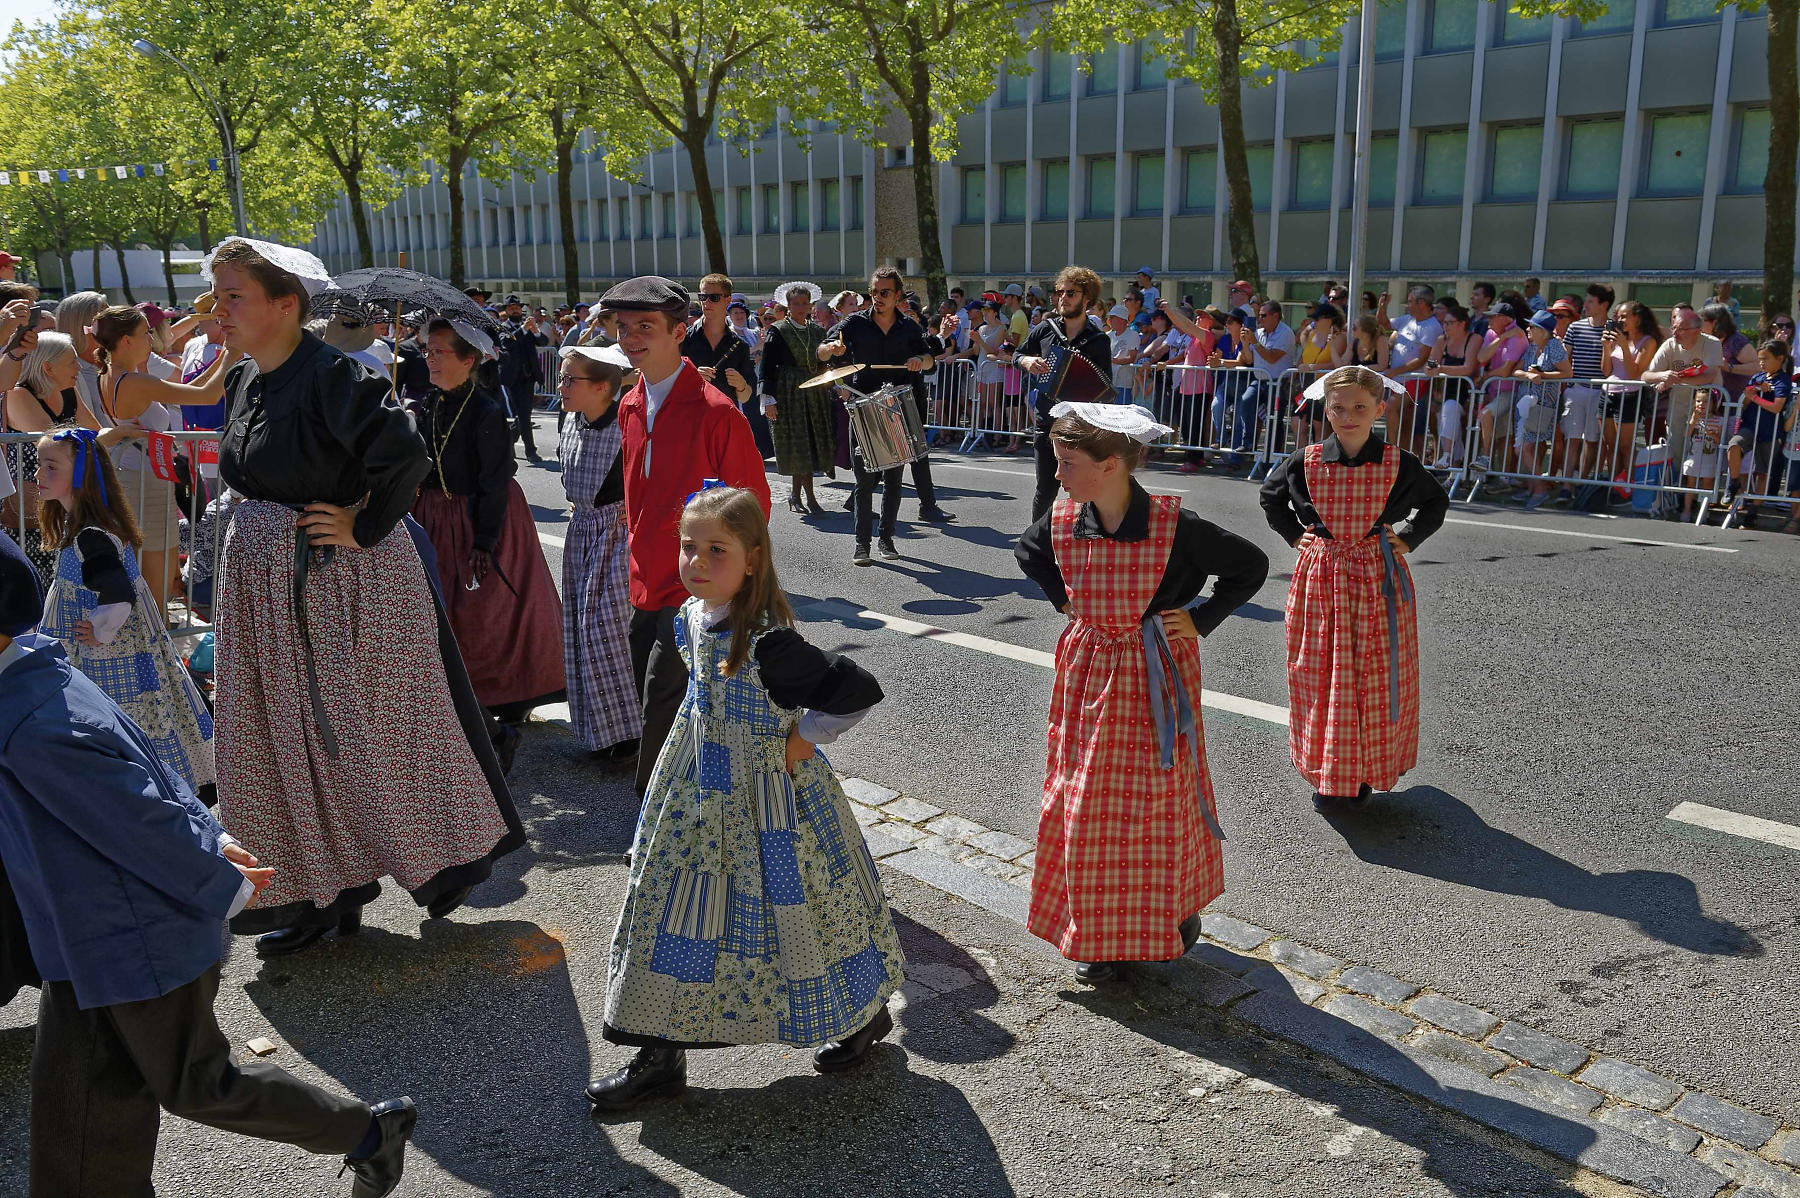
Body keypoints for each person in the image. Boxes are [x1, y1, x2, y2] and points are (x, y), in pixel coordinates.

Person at [0, 531, 417, 1198]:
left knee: (198, 1085)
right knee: (76, 1133)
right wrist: (214, 841)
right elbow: (153, 766)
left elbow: (142, 814)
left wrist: (217, 871)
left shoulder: (31, 723)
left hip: (139, 941)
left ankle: (368, 1133)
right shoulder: (44, 673)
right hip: (87, 944)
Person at [204, 236, 524, 956]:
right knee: (273, 741)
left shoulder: (333, 377)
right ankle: (318, 891)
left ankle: (442, 863)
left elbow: (403, 456)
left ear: (286, 306)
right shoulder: (245, 380)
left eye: (233, 296)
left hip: (338, 584)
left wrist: (362, 525)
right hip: (265, 590)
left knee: (369, 734)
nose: (217, 310)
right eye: (219, 295)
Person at [589, 485, 904, 1110]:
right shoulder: (688, 616)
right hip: (695, 796)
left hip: (768, 803)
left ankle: (860, 1014)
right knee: (669, 907)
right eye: (688, 548)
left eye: (716, 550)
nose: (696, 562)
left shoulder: (769, 642)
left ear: (753, 558)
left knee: (803, 911)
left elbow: (856, 689)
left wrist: (805, 739)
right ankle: (658, 1050)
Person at [1015, 403, 1268, 983]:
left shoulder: (1175, 526)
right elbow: (1027, 553)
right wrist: (1062, 599)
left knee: (1154, 804)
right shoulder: (1063, 520)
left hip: (1153, 675)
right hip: (1088, 678)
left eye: (1068, 463)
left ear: (1111, 466)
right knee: (1085, 802)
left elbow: (1248, 566)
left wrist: (1201, 618)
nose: (1058, 474)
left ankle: (1170, 916)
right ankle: (1099, 930)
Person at [606, 275, 773, 799]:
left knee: (661, 706)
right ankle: (689, 808)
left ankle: (654, 826)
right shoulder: (628, 404)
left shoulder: (716, 411)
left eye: (645, 327)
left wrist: (724, 579)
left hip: (695, 592)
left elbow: (754, 507)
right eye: (623, 327)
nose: (631, 337)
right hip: (645, 583)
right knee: (649, 698)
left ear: (680, 332)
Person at [1260, 366, 1449, 810]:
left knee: (1373, 674)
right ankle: (1330, 770)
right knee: (1320, 671)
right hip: (1321, 575)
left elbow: (1435, 501)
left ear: (1380, 409)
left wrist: (1410, 537)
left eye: (1360, 407)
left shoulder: (1399, 462)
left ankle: (1364, 769)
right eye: (1338, 407)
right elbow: (1270, 497)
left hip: (1375, 576)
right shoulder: (1304, 460)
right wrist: (1293, 535)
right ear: (1326, 409)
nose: (1348, 416)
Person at [410, 318, 567, 767]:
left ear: (469, 360)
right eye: (428, 350)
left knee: (488, 611)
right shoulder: (428, 403)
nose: (430, 358)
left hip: (480, 515)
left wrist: (484, 541)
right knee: (445, 609)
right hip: (436, 515)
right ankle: (461, 702)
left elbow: (493, 482)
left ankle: (504, 697)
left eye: (440, 351)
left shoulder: (486, 411)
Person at [33, 427, 217, 805]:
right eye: (39, 465)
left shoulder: (89, 536)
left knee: (118, 718)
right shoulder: (85, 528)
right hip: (124, 649)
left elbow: (118, 596)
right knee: (145, 714)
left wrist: (100, 630)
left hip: (110, 657)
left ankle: (131, 795)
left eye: (51, 466)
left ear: (81, 475)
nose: (38, 475)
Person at [87, 304, 240, 612]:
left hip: (144, 479)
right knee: (155, 590)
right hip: (144, 485)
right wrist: (231, 353)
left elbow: (191, 390)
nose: (152, 339)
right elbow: (207, 396)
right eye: (145, 333)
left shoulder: (120, 374)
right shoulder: (132, 380)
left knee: (158, 582)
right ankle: (156, 652)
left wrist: (226, 353)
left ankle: (158, 647)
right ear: (127, 340)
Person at [819, 265, 955, 564]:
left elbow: (930, 358)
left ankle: (886, 539)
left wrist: (921, 360)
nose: (877, 298)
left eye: (884, 293)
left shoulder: (909, 327)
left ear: (896, 295)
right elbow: (822, 352)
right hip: (863, 405)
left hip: (896, 408)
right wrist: (831, 349)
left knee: (893, 480)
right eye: (873, 292)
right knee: (864, 480)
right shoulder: (853, 323)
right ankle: (861, 544)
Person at [557, 341, 643, 761]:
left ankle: (630, 733)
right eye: (562, 376)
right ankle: (599, 732)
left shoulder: (627, 425)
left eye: (571, 379)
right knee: (578, 629)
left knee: (605, 631)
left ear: (603, 388)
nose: (562, 385)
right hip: (582, 532)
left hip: (615, 534)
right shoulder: (571, 420)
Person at [1016, 266, 1114, 521]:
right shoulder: (1046, 329)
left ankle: (1084, 539)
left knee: (1084, 489)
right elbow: (1015, 352)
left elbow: (1105, 389)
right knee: (1046, 488)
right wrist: (1026, 361)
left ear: (1087, 298)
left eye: (1071, 292)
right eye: (1060, 291)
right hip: (1046, 421)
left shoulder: (1098, 341)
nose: (1063, 297)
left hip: (1080, 426)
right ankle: (1036, 544)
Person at [5, 331, 101, 583]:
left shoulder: (68, 391)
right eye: (72, 361)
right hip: (30, 511)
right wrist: (115, 435)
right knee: (36, 586)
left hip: (67, 503)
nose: (79, 366)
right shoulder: (18, 395)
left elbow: (95, 432)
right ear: (48, 367)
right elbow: (56, 444)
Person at [759, 281, 837, 515]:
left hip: (814, 392)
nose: (801, 307)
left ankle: (798, 496)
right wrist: (768, 399)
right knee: (797, 444)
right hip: (788, 391)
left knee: (811, 443)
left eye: (804, 303)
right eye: (796, 304)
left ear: (811, 305)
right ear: (788, 305)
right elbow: (767, 365)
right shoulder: (778, 329)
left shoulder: (817, 331)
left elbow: (825, 362)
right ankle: (807, 498)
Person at [1643, 308, 1722, 514]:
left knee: (1704, 454)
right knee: (1677, 451)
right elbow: (1646, 375)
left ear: (1696, 330)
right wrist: (1664, 375)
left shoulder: (1711, 343)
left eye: (1681, 329)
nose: (1675, 333)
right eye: (1674, 328)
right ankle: (1677, 498)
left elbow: (1710, 375)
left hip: (1708, 409)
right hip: (1678, 408)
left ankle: (1704, 503)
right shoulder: (1669, 345)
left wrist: (1677, 380)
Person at [1723, 339, 1794, 526]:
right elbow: (1745, 402)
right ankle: (1734, 482)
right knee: (1734, 445)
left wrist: (1755, 397)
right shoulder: (1757, 377)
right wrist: (1751, 393)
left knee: (1763, 472)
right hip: (1750, 425)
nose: (1761, 363)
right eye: (1760, 359)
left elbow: (1777, 407)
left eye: (1766, 359)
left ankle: (1753, 511)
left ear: (1780, 359)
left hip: (1770, 431)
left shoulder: (1783, 380)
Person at [1514, 310, 1574, 509]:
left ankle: (1539, 489)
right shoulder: (1532, 347)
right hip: (1527, 403)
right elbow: (1516, 370)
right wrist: (1528, 375)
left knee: (1522, 447)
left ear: (1543, 331)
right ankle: (1534, 488)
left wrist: (1544, 375)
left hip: (1543, 406)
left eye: (1532, 326)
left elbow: (1567, 373)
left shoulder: (1554, 346)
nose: (1528, 329)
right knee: (1529, 447)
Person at [682, 273, 756, 416]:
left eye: (714, 298)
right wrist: (690, 377)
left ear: (727, 300)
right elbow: (666, 382)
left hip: (724, 420)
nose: (706, 302)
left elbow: (745, 396)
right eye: (703, 297)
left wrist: (741, 386)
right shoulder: (682, 340)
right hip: (690, 418)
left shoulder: (740, 345)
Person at [1423, 305, 1481, 469]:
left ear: (1462, 323)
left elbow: (1468, 368)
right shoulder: (1441, 341)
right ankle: (1454, 471)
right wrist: (1430, 369)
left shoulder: (1474, 339)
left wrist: (1440, 369)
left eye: (1449, 323)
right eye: (1444, 323)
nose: (1445, 326)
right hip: (1444, 391)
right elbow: (1430, 365)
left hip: (1466, 392)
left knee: (1450, 410)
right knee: (1447, 422)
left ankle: (1447, 456)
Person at [497, 295, 549, 462]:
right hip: (513, 377)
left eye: (517, 307)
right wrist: (524, 330)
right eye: (511, 307)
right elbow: (508, 343)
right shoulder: (503, 327)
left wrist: (535, 330)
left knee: (523, 413)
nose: (515, 310)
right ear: (506, 310)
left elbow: (543, 341)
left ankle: (508, 441)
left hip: (529, 376)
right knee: (524, 414)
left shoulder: (527, 326)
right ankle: (530, 451)